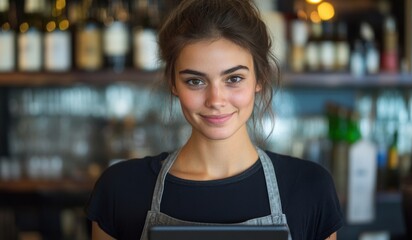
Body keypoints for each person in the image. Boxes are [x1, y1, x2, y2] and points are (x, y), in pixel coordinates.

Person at [86, 0, 344, 239]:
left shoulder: (310, 188)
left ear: (260, 79)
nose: (216, 100)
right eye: (195, 81)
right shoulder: (120, 190)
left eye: (234, 79)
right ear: (174, 84)